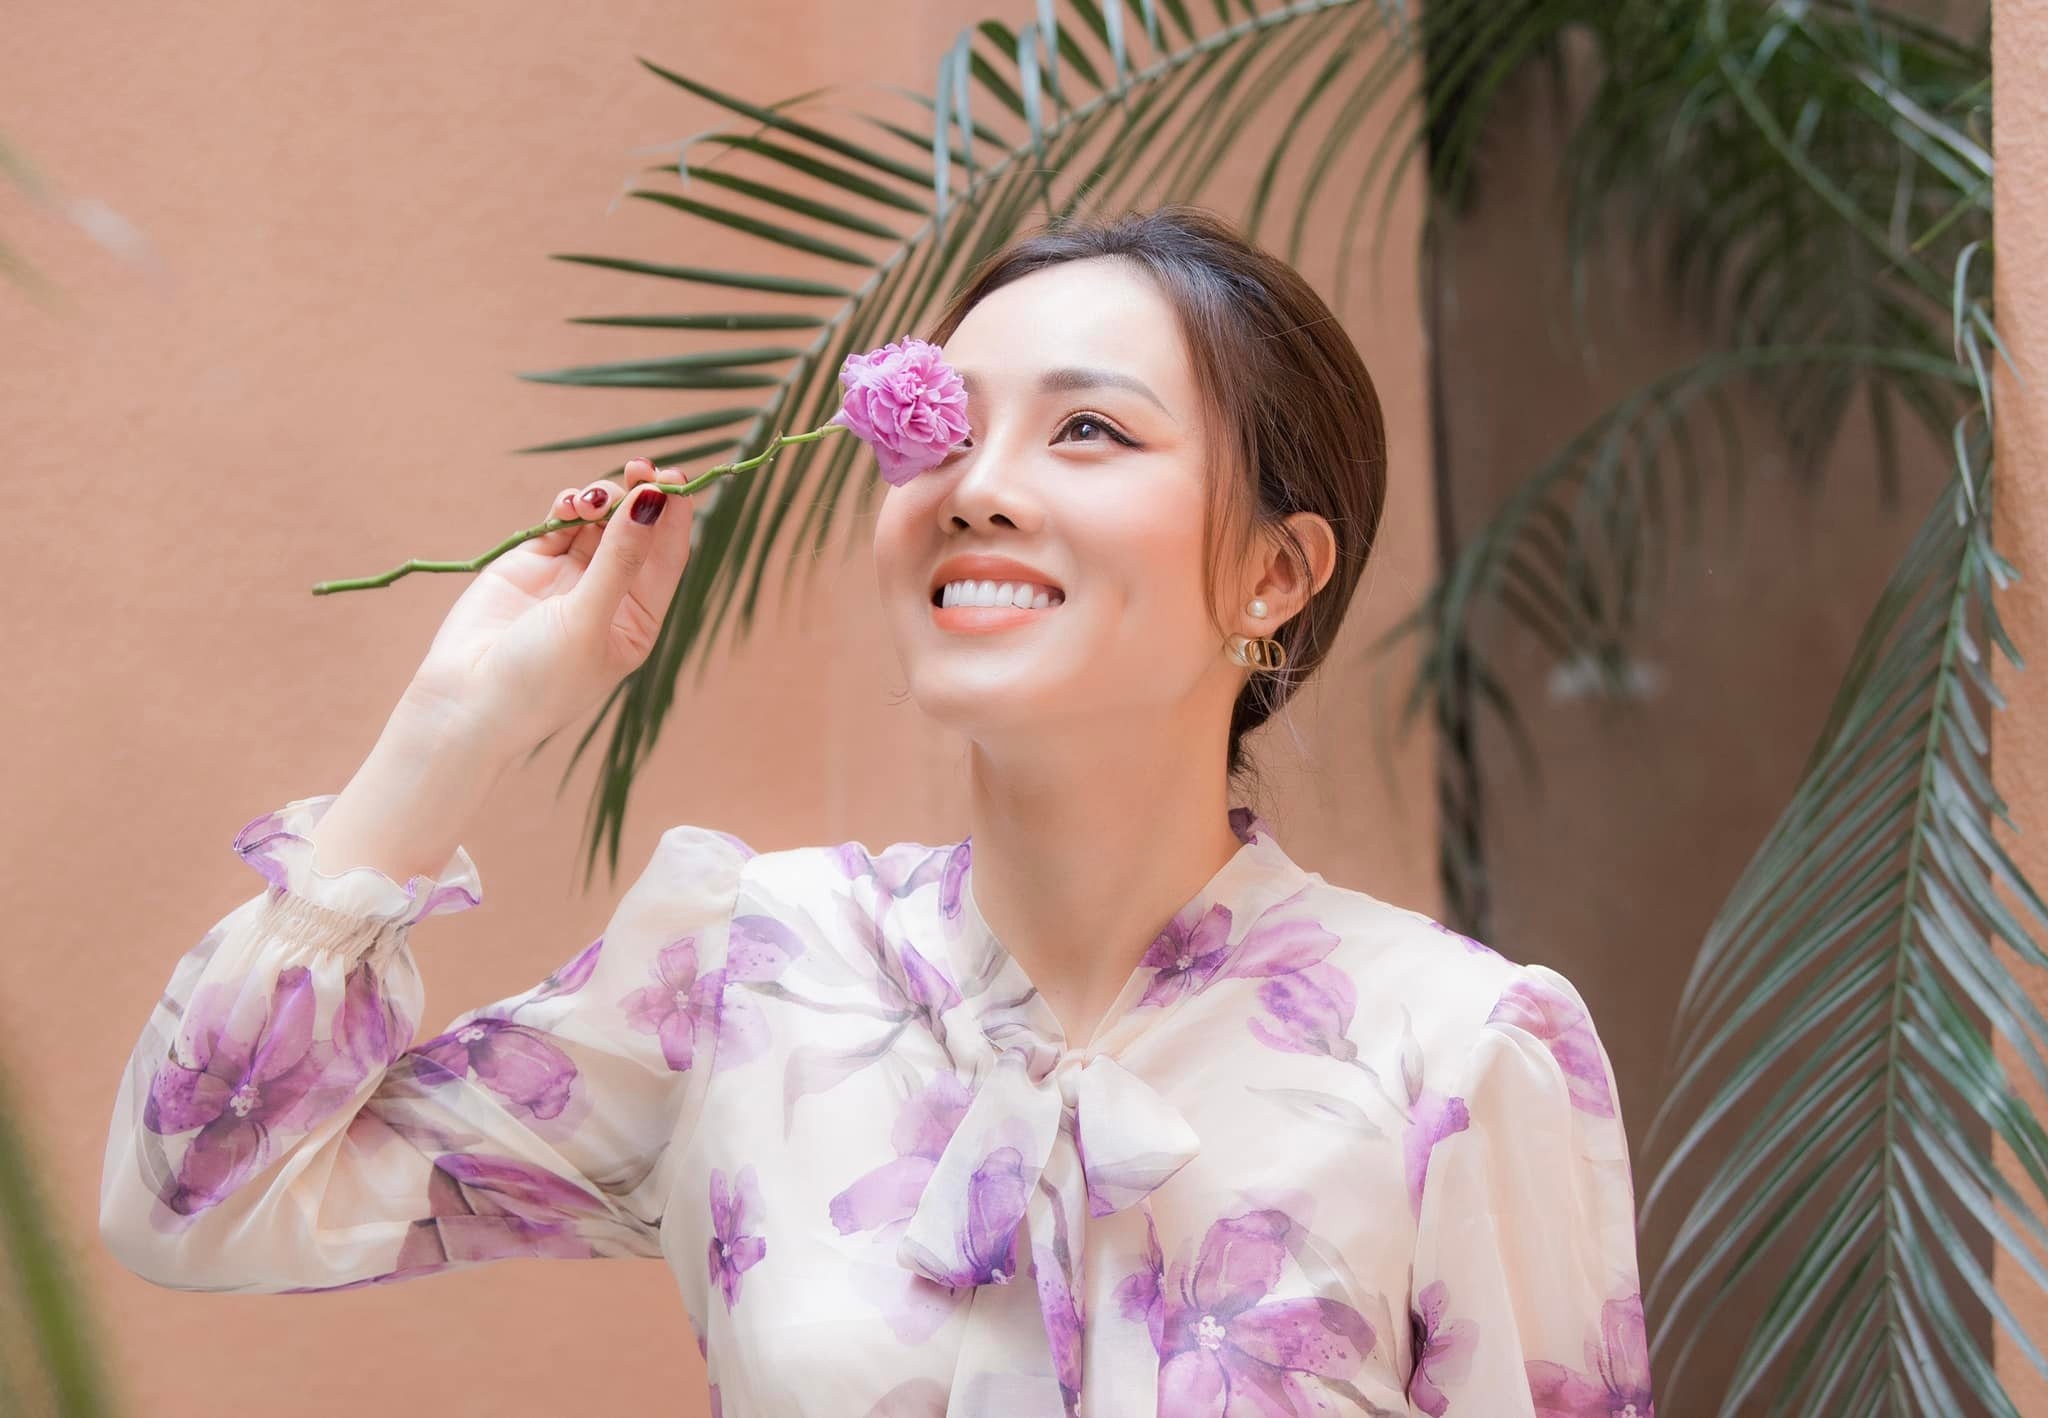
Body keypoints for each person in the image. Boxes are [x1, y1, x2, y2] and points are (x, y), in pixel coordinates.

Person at [99, 204, 1656, 1417]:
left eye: (1089, 428)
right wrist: (458, 719)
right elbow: (195, 1197)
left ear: (1275, 572)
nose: (976, 486)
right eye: (944, 429)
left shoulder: (1454, 1056)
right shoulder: (752, 973)